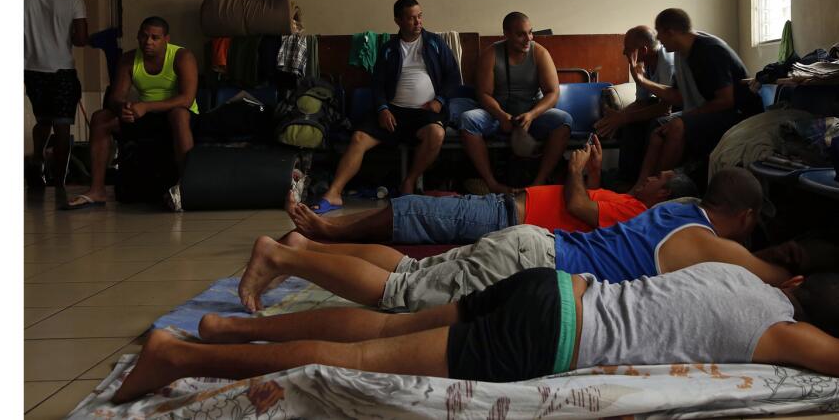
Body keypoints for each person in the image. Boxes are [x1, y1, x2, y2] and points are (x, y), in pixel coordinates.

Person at [112, 263, 839, 403]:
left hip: (553, 284)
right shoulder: (791, 335)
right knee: (365, 357)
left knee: (383, 322)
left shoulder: (750, 278)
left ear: (791, 282)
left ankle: (225, 324)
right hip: (558, 334)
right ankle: (180, 352)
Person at [237, 167, 774, 313]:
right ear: (744, 217)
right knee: (400, 295)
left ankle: (307, 250)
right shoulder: (708, 241)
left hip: (530, 246)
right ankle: (284, 255)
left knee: (407, 272)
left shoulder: (679, 208)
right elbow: (775, 278)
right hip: (531, 257)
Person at [288, 136, 697, 244]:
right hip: (508, 205)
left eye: (656, 179)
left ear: (664, 195)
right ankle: (341, 230)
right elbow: (591, 199)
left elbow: (577, 204)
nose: (648, 177)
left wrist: (572, 171)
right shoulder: (629, 202)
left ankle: (331, 232)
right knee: (431, 201)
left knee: (414, 210)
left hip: (511, 218)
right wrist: (591, 171)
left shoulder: (637, 215)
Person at [310, 0, 461, 212]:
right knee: (359, 138)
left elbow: (453, 77)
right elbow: (378, 84)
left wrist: (440, 101)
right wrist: (382, 109)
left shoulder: (435, 43)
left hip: (426, 112)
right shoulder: (389, 48)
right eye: (411, 18)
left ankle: (409, 181)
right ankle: (334, 193)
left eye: (420, 16)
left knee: (436, 134)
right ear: (398, 20)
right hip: (393, 112)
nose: (418, 22)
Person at [65, 17, 198, 209]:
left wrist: (146, 107)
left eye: (155, 38)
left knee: (178, 114)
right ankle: (97, 190)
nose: (148, 42)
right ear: (137, 36)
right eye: (144, 36)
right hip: (145, 115)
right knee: (101, 118)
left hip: (179, 116)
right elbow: (115, 97)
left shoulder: (182, 57)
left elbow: (187, 99)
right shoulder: (128, 59)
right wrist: (123, 108)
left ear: (166, 39)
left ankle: (186, 187)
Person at [631, 8, 762, 193]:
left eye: (660, 35)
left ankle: (657, 191)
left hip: (739, 113)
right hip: (714, 110)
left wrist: (686, 117)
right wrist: (642, 81)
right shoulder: (681, 53)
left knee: (676, 126)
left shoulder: (710, 50)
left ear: (671, 32)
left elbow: (726, 100)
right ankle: (639, 188)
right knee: (658, 131)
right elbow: (677, 95)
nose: (659, 40)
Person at [454, 12, 572, 194]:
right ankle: (492, 183)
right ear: (506, 34)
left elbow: (553, 93)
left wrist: (532, 115)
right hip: (497, 116)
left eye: (530, 33)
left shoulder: (540, 53)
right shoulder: (491, 54)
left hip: (531, 116)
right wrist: (501, 116)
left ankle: (538, 183)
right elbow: (483, 93)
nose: (528, 39)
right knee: (467, 119)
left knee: (563, 120)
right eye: (521, 34)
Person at [25, 0, 89, 194]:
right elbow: (81, 39)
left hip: (32, 69)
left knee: (42, 120)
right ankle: (60, 182)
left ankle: (37, 160)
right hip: (62, 71)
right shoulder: (73, 0)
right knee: (62, 127)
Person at [594, 26, 676, 186]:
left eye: (627, 49)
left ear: (643, 50)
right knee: (629, 124)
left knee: (652, 124)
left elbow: (666, 108)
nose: (624, 52)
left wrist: (623, 118)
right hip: (662, 105)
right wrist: (616, 118)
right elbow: (641, 102)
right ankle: (625, 179)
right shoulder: (642, 64)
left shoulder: (668, 63)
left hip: (681, 108)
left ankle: (642, 182)